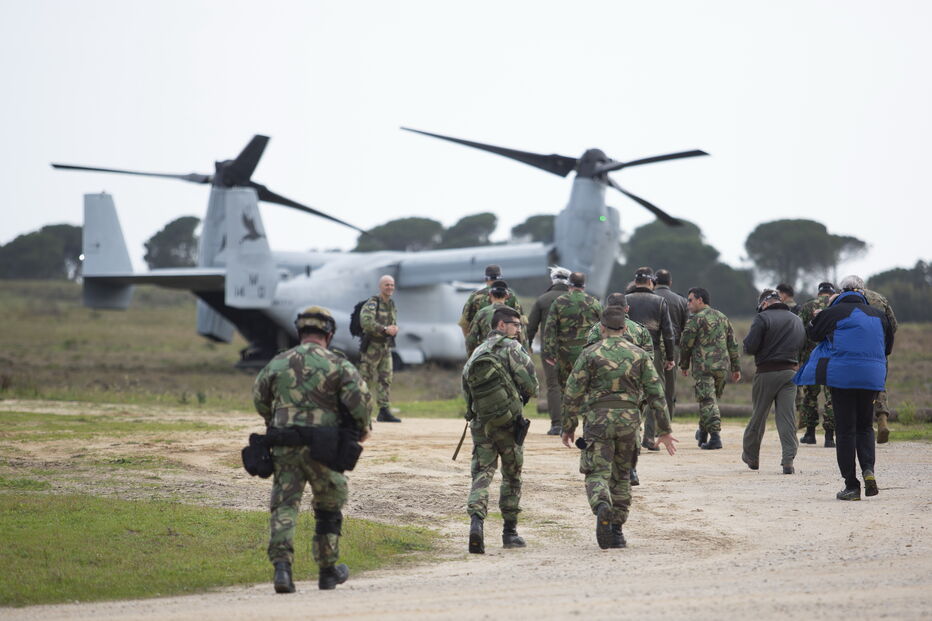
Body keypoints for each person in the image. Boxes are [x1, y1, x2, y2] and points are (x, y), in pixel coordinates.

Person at [253, 306, 371, 592]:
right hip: (323, 448)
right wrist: (362, 427)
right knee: (328, 508)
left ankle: (282, 569)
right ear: (328, 334)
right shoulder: (338, 365)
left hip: (284, 445)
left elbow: (259, 398)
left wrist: (274, 420)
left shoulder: (278, 363)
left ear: (300, 333)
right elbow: (360, 403)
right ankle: (328, 571)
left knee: (284, 506)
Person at [561, 307, 678, 549]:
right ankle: (616, 531)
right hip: (629, 421)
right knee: (622, 476)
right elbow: (657, 393)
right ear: (625, 328)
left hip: (598, 420)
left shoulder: (589, 353)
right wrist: (664, 430)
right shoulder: (639, 355)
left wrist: (569, 426)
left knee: (596, 473)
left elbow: (572, 392)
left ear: (602, 327)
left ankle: (602, 505)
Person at [794, 276, 894, 500]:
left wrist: (818, 318)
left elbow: (814, 335)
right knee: (865, 427)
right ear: (862, 292)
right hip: (872, 377)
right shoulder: (879, 315)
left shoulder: (833, 312)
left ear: (841, 292)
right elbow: (887, 347)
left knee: (846, 430)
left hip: (842, 377)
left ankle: (851, 485)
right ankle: (868, 469)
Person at [462, 306, 538, 553]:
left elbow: (466, 385)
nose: (518, 329)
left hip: (481, 423)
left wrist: (475, 413)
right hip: (508, 423)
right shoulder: (513, 348)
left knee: (482, 473)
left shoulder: (478, 351)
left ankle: (476, 523)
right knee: (512, 476)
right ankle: (510, 532)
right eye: (515, 324)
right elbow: (532, 384)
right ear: (501, 325)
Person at [586, 292, 654, 486]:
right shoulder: (640, 331)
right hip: (633, 389)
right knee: (633, 428)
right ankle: (630, 469)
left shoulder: (596, 330)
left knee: (602, 430)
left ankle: (604, 470)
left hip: (603, 391)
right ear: (627, 309)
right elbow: (649, 359)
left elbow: (587, 358)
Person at [741, 289, 806, 474]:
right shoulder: (796, 319)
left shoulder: (762, 318)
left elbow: (750, 346)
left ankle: (751, 456)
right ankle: (788, 460)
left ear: (765, 303)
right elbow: (802, 345)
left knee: (759, 415)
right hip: (791, 373)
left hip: (767, 372)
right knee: (787, 417)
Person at [679, 287, 741, 450]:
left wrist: (684, 365)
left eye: (690, 300)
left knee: (707, 400)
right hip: (722, 367)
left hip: (704, 367)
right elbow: (733, 344)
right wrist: (736, 368)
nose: (688, 304)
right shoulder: (722, 317)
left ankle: (715, 437)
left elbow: (686, 345)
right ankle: (703, 434)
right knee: (708, 400)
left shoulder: (695, 320)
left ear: (700, 300)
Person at [624, 267, 676, 450]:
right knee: (654, 393)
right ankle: (649, 437)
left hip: (628, 353)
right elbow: (668, 334)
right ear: (650, 282)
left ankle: (633, 437)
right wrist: (670, 358)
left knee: (631, 393)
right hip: (652, 353)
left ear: (636, 280)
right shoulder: (660, 301)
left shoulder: (625, 300)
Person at [542, 271, 603, 397]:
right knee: (589, 388)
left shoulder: (559, 302)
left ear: (569, 285)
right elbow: (603, 328)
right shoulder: (594, 303)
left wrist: (549, 352)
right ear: (584, 286)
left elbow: (550, 329)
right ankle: (587, 415)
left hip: (565, 353)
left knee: (566, 390)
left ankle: (569, 416)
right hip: (588, 352)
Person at [527, 266, 572, 435]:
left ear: (553, 280)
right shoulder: (575, 298)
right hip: (573, 350)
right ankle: (572, 424)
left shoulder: (543, 300)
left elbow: (531, 327)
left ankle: (557, 424)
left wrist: (528, 345)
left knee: (554, 385)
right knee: (573, 385)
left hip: (550, 351)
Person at [797, 282, 837, 447]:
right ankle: (829, 437)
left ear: (819, 292)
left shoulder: (808, 306)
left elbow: (798, 331)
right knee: (831, 396)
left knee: (810, 396)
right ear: (832, 292)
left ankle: (810, 434)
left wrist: (798, 358)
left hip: (811, 357)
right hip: (832, 357)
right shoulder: (836, 305)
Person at [860, 283, 898, 443]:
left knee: (859, 386)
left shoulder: (850, 299)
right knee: (878, 384)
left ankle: (865, 425)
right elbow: (893, 325)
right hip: (879, 349)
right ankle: (882, 420)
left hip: (858, 349)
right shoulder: (880, 298)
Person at [360, 274, 401, 422]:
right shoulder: (373, 303)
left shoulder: (391, 304)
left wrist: (394, 328)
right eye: (387, 285)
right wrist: (384, 329)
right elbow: (366, 322)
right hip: (373, 346)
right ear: (380, 286)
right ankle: (361, 411)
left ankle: (384, 411)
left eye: (391, 285)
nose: (390, 287)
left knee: (386, 378)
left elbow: (392, 321)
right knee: (366, 379)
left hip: (386, 346)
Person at [653, 269, 689, 419]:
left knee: (651, 383)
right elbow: (686, 328)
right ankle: (667, 420)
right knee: (669, 386)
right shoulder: (681, 301)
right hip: (673, 347)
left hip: (652, 346)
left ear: (654, 281)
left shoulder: (651, 298)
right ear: (670, 282)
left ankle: (650, 420)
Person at [465, 280, 528, 357]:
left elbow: (471, 340)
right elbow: (523, 339)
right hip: (509, 356)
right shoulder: (514, 314)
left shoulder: (481, 313)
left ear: (490, 294)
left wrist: (472, 358)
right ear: (507, 295)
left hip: (487, 356)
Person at [458, 264, 523, 337]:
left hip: (485, 345)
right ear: (501, 278)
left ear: (486, 279)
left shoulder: (475, 297)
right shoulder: (510, 295)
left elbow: (464, 324)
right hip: (507, 344)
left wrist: (471, 345)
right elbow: (520, 322)